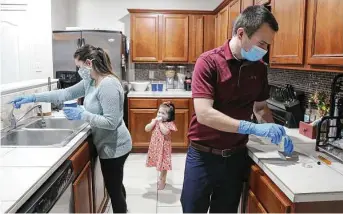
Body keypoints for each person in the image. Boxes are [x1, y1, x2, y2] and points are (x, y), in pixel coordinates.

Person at [180, 5, 294, 213]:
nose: (265, 50)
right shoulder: (208, 62)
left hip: (235, 158)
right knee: (192, 209)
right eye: (261, 43)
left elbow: (260, 107)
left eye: (268, 45)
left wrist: (276, 131)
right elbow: (205, 114)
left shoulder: (259, 68)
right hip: (203, 155)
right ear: (241, 33)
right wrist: (252, 128)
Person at [11, 44, 132, 213]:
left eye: (79, 66)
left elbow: (111, 122)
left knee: (113, 190)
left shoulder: (108, 85)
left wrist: (83, 114)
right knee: (115, 185)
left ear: (89, 63)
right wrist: (32, 97)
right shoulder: (91, 82)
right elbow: (64, 94)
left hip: (115, 146)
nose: (78, 70)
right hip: (106, 143)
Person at [145, 101, 177, 190]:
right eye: (159, 112)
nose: (160, 114)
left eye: (163, 113)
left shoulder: (169, 124)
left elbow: (165, 132)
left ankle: (162, 181)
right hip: (156, 147)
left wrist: (160, 123)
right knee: (157, 161)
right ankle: (160, 179)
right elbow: (147, 129)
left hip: (164, 148)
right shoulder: (155, 122)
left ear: (169, 116)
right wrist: (153, 122)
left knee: (164, 165)